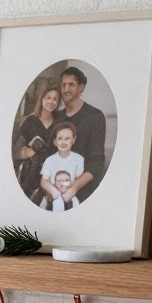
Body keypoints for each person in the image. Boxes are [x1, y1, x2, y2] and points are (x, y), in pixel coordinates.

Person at [58, 66, 107, 202]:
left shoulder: (95, 117)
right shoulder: (57, 118)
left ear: (81, 88)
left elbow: (96, 162)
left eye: (71, 85)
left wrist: (74, 188)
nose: (66, 89)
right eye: (63, 85)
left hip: (83, 190)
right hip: (56, 187)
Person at [13, 80, 61, 203]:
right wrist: (26, 152)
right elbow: (14, 153)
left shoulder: (60, 123)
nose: (51, 101)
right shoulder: (29, 122)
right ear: (41, 99)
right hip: (29, 177)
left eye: (55, 99)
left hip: (53, 177)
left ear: (58, 102)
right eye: (48, 97)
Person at [39, 122, 85, 207]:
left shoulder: (79, 159)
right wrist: (53, 192)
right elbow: (44, 180)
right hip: (52, 196)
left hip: (70, 196)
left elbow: (79, 180)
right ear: (55, 142)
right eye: (60, 138)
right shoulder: (49, 160)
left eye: (67, 138)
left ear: (74, 140)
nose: (63, 142)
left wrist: (68, 193)